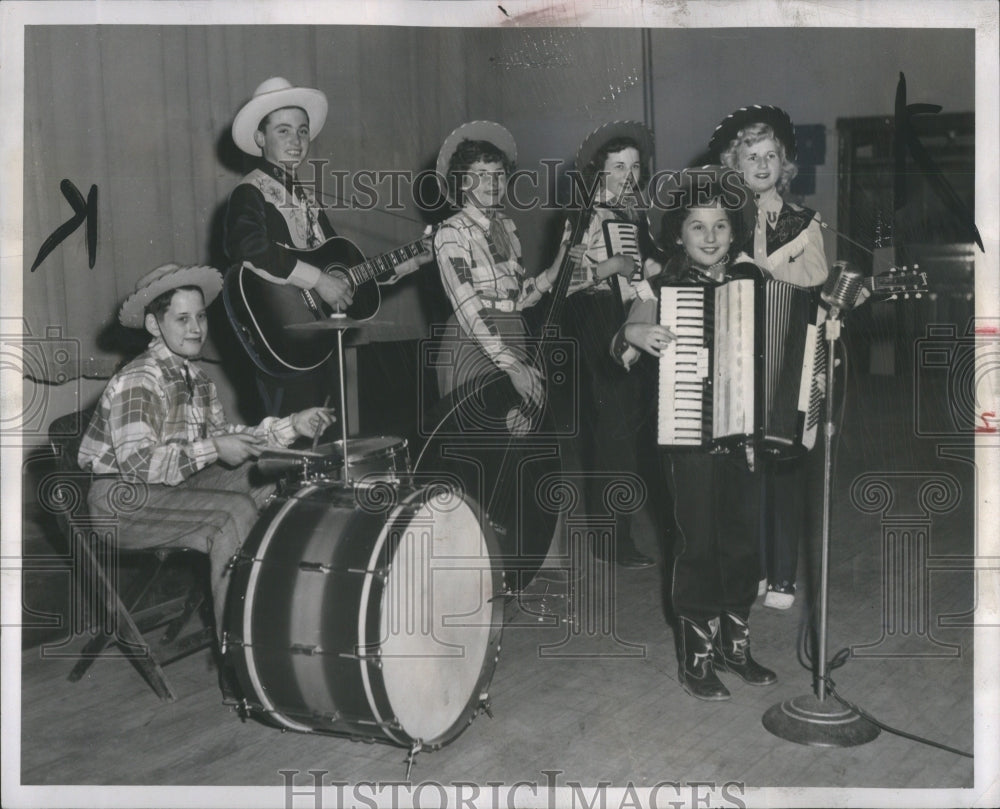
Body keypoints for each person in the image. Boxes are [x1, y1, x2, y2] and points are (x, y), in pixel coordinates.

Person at [78, 263, 334, 697]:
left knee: (266, 482)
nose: (196, 328)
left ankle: (276, 619)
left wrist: (292, 424)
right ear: (154, 326)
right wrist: (215, 450)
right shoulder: (139, 380)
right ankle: (244, 667)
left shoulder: (196, 379)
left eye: (200, 316)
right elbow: (141, 465)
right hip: (121, 502)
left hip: (170, 491)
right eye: (182, 319)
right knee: (231, 513)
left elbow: (229, 439)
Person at [612, 167, 776, 700]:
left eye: (721, 227)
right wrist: (633, 330)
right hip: (687, 436)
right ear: (678, 235)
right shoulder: (659, 286)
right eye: (697, 227)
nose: (710, 237)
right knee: (696, 542)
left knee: (741, 541)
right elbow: (623, 347)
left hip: (746, 436)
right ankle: (696, 654)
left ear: (735, 232)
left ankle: (735, 645)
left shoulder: (757, 283)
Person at [712, 105, 829, 610]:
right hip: (740, 354)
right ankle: (754, 568)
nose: (761, 165)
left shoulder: (806, 223)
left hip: (791, 354)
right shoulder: (724, 224)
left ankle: (783, 575)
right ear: (734, 166)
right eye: (751, 157)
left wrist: (766, 270)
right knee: (746, 463)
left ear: (785, 165)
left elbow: (817, 276)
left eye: (771, 156)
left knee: (787, 462)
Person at [557, 122, 668, 569]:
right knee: (611, 429)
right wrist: (613, 266)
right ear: (599, 172)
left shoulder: (632, 215)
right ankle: (609, 539)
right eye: (618, 167)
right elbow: (563, 282)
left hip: (629, 316)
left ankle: (630, 530)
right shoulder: (583, 216)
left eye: (635, 167)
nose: (628, 175)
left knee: (633, 424)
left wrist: (654, 265)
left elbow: (642, 271)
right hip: (595, 318)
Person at [432, 121, 566, 406]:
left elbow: (516, 300)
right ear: (462, 181)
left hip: (513, 337)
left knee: (516, 435)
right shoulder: (450, 232)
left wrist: (554, 272)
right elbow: (468, 307)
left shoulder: (507, 227)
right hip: (472, 345)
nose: (492, 183)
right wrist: (513, 366)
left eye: (498, 175)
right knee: (480, 441)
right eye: (480, 175)